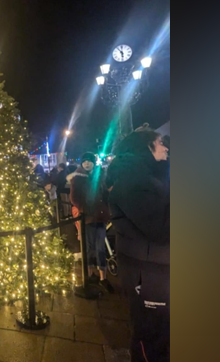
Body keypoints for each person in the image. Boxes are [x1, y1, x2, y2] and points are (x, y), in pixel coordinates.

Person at [106, 125, 170, 362]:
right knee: (152, 335)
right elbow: (161, 227)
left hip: (155, 265)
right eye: (160, 142)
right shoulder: (132, 181)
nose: (165, 147)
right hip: (147, 270)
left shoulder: (146, 176)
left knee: (159, 332)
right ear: (145, 147)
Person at [69, 153, 113, 293]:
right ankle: (88, 275)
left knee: (100, 247)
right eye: (85, 161)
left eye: (90, 161)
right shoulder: (77, 178)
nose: (87, 164)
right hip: (87, 217)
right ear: (81, 164)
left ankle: (102, 277)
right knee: (88, 247)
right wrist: (84, 210)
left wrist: (106, 209)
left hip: (100, 216)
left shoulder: (99, 176)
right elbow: (74, 197)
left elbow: (105, 194)